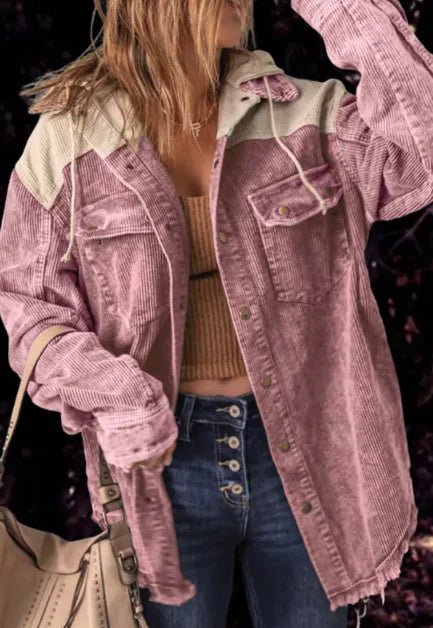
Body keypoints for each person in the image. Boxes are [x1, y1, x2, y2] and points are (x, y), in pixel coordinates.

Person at [1, 0, 430, 625]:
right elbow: (30, 308)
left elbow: (420, 153)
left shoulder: (306, 116)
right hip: (159, 469)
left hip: (311, 455)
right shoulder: (69, 141)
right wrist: (120, 396)